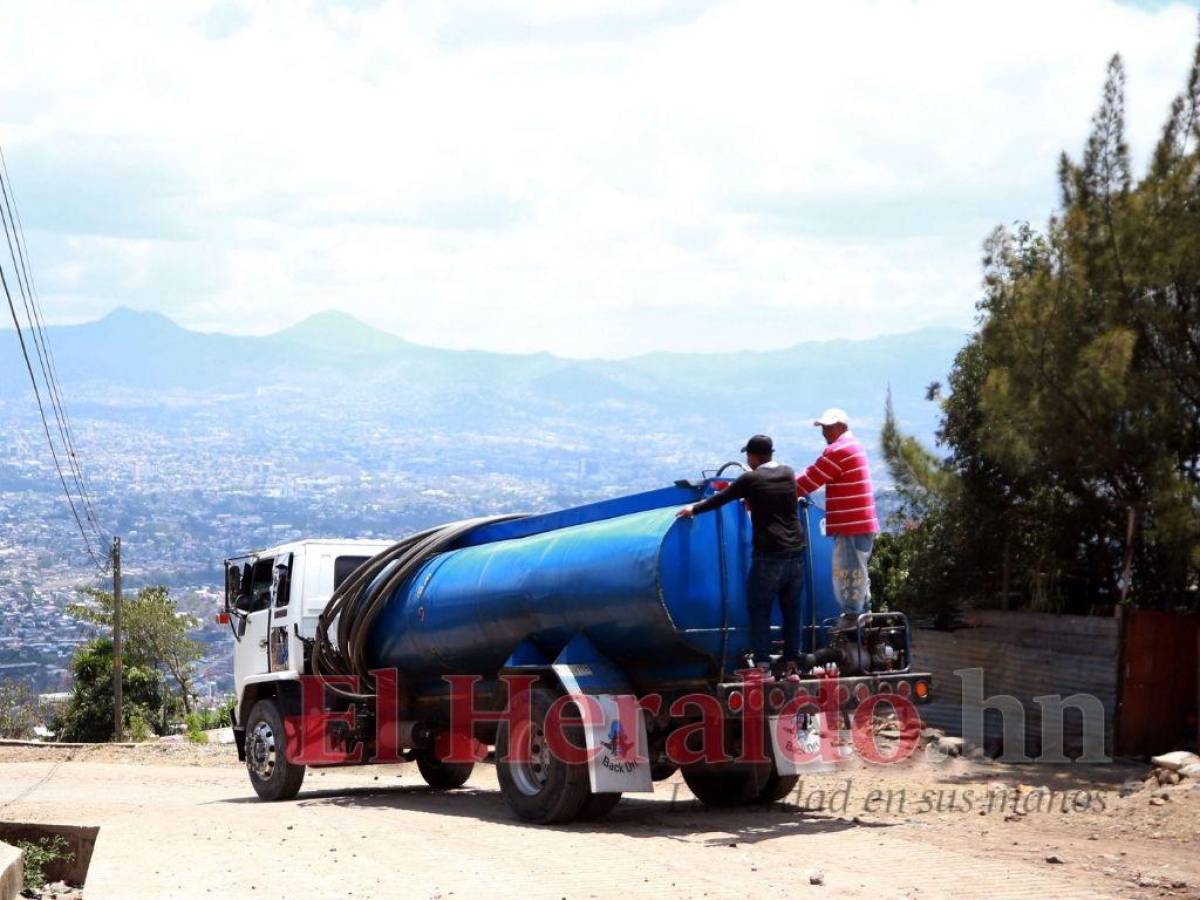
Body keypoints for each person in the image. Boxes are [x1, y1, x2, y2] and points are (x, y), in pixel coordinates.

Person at [676, 434, 805, 675]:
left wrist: (693, 508)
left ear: (752, 456)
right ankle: (792, 664)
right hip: (796, 553)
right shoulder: (788, 473)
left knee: (759, 607)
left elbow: (721, 498)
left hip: (769, 554)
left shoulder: (751, 479)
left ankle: (764, 664)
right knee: (792, 610)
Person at [795, 408, 879, 624]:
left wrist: (776, 486)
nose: (824, 431)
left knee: (848, 576)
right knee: (860, 575)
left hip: (850, 525)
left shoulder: (838, 450)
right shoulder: (855, 446)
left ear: (842, 426)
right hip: (862, 524)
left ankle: (853, 624)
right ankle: (865, 623)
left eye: (829, 427)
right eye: (823, 427)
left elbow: (808, 481)